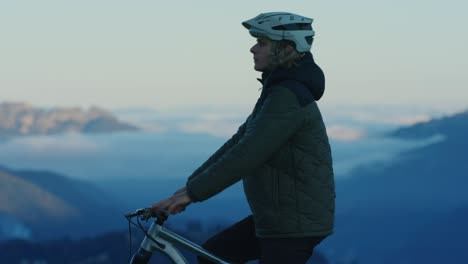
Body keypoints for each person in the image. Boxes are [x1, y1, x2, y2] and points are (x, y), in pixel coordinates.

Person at [150, 12, 335, 264]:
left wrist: (192, 193)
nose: (252, 48)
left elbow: (247, 155)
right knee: (212, 257)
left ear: (286, 48)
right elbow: (238, 142)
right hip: (279, 218)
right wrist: (186, 190)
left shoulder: (287, 97)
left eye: (262, 42)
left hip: (293, 225)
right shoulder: (279, 91)